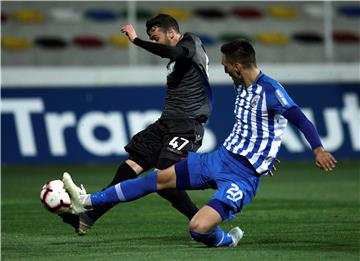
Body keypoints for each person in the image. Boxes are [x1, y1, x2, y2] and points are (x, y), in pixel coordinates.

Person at [63, 39, 337, 247]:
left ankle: (228, 240)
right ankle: (86, 202)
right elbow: (258, 128)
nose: (224, 69)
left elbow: (300, 119)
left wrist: (318, 148)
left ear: (238, 66)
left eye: (226, 66)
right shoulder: (242, 85)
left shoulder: (272, 90)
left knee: (197, 229)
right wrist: (265, 155)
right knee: (158, 178)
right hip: (219, 158)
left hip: (241, 178)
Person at [60, 13, 213, 235]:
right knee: (130, 167)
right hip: (166, 123)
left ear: (172, 33)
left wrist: (136, 41)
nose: (154, 42)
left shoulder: (191, 42)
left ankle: (201, 221)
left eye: (156, 37)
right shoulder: (176, 60)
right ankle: (88, 218)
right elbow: (170, 54)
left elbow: (173, 51)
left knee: (164, 178)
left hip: (187, 125)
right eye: (151, 38)